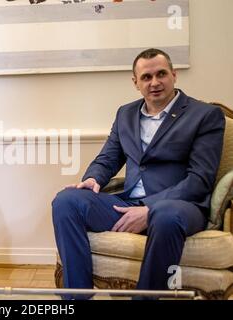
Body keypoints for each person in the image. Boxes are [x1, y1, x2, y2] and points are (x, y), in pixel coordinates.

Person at [52, 48, 226, 298]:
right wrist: (93, 178)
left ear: (174, 75)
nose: (154, 82)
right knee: (66, 201)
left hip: (180, 206)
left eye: (161, 74)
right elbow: (108, 158)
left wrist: (149, 208)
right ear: (135, 83)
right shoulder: (126, 113)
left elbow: (200, 180)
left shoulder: (205, 115)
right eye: (146, 77)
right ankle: (76, 296)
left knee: (165, 215)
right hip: (127, 202)